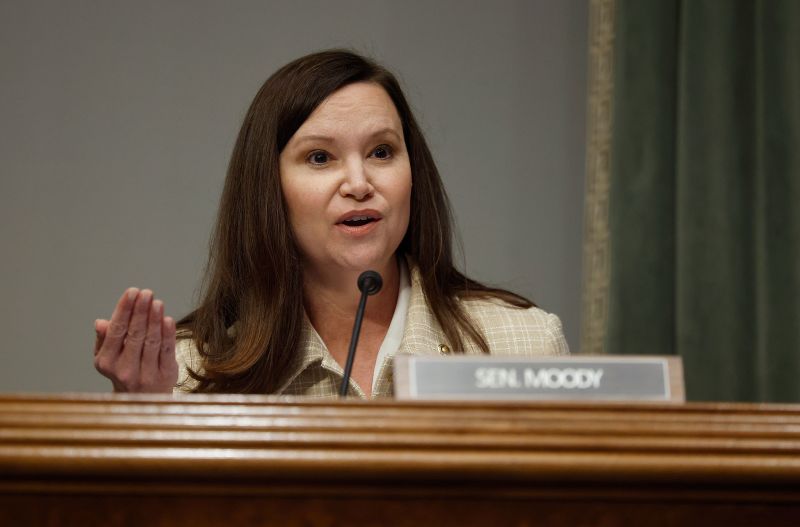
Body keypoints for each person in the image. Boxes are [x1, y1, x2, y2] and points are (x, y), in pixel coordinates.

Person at [93, 49, 569, 398]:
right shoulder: (188, 374)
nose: (359, 183)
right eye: (320, 158)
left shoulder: (524, 347)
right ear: (268, 189)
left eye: (382, 152)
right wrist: (144, 413)